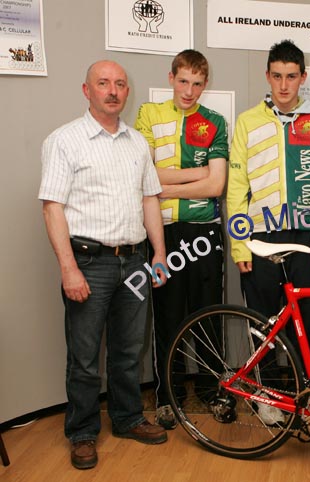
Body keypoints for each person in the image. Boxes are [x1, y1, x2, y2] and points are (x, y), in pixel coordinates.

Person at [39, 60, 168, 470]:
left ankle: (128, 418)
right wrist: (68, 269)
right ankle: (82, 432)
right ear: (86, 89)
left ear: (126, 92)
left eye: (120, 84)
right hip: (88, 262)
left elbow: (150, 200)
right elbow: (52, 208)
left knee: (129, 350)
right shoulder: (64, 140)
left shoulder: (137, 144)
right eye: (103, 83)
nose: (112, 90)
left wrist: (159, 255)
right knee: (84, 357)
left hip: (133, 261)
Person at [135, 49, 228, 430]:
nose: (189, 91)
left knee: (209, 314)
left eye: (197, 83)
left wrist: (164, 185)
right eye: (183, 80)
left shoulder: (215, 121)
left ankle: (213, 391)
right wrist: (196, 176)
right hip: (164, 234)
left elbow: (218, 183)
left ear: (205, 85)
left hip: (205, 231)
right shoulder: (148, 114)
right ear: (171, 77)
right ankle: (167, 396)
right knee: (168, 317)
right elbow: (143, 175)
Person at [227, 39, 310, 362]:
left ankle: (306, 390)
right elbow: (237, 188)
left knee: (305, 319)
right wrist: (238, 244)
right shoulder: (248, 122)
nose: (284, 84)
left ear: (303, 77)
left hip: (305, 238)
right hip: (260, 237)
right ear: (267, 76)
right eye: (277, 76)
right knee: (262, 320)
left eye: (291, 76)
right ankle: (266, 394)